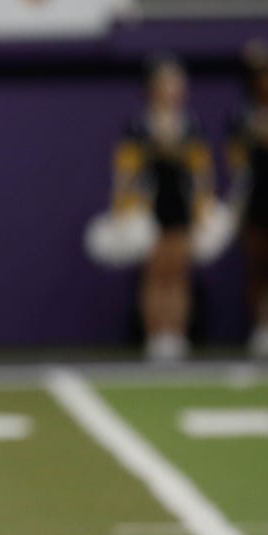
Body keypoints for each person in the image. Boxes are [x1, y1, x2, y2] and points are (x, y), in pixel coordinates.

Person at [108, 55, 216, 362]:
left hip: (180, 202)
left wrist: (203, 204)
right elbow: (126, 169)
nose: (172, 91)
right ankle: (156, 333)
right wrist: (122, 205)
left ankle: (177, 333)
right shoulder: (139, 124)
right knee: (155, 273)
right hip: (150, 204)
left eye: (176, 86)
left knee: (179, 272)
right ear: (153, 89)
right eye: (165, 85)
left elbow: (201, 170)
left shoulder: (189, 124)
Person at [226, 39, 268, 359]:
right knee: (257, 264)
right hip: (254, 198)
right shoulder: (242, 117)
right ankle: (260, 327)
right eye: (262, 76)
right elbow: (236, 162)